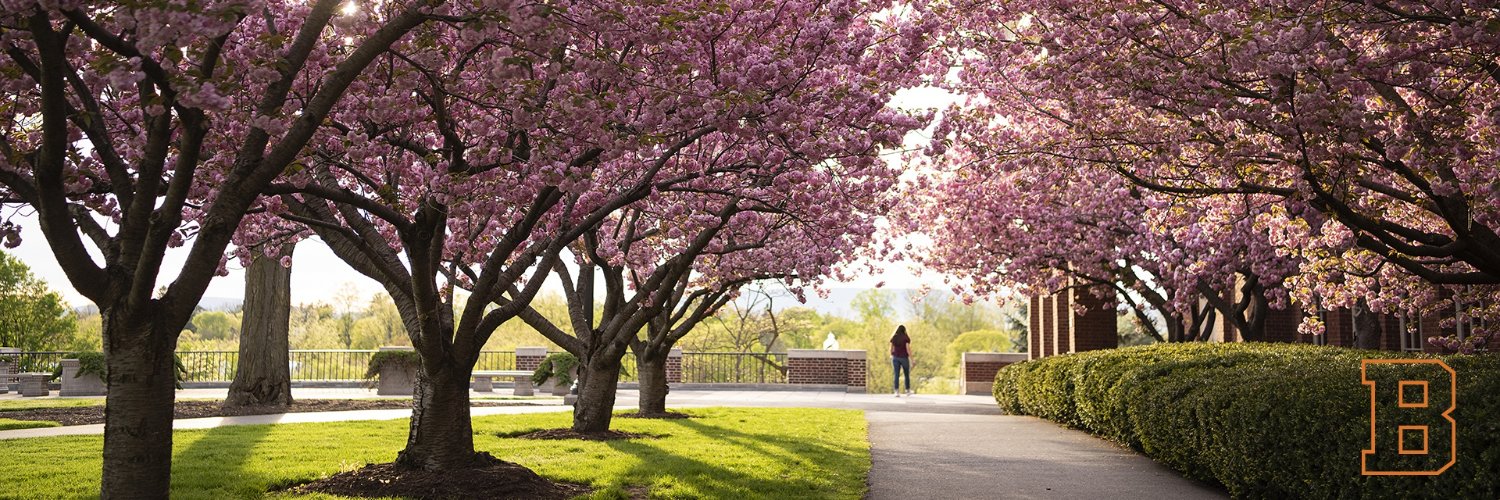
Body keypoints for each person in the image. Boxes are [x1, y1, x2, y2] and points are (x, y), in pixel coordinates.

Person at [890, 325, 912, 396]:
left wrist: (891, 355)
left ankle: (896, 391)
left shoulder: (894, 337)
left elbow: (891, 348)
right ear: (904, 330)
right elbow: (908, 349)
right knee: (906, 374)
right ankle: (907, 390)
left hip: (895, 357)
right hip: (904, 357)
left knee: (896, 374)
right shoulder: (906, 338)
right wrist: (912, 359)